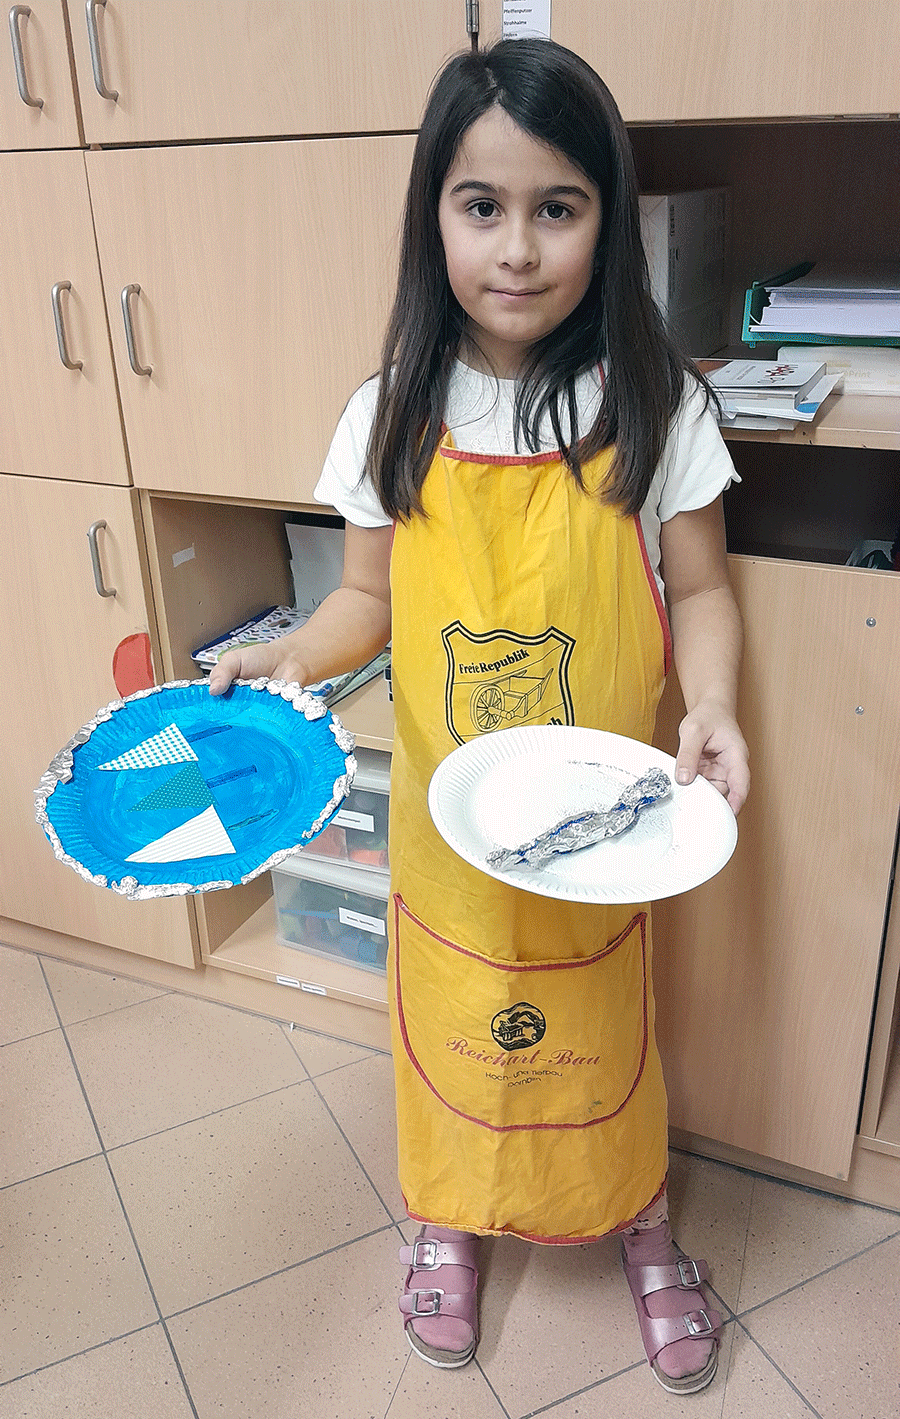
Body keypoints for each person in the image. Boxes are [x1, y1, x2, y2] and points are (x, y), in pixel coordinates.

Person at [209, 38, 749, 1396]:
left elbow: (702, 588)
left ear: (606, 220)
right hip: (446, 831)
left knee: (607, 1022)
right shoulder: (391, 409)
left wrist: (715, 707)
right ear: (432, 218)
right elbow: (363, 604)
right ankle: (446, 1214)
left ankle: (639, 1216)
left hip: (603, 827)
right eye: (481, 206)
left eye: (557, 207)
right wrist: (289, 655)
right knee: (450, 1017)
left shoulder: (657, 401)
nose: (517, 248)